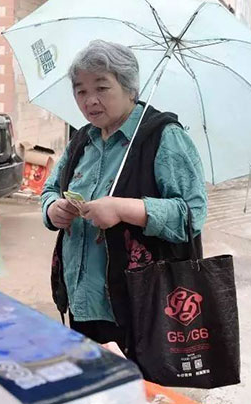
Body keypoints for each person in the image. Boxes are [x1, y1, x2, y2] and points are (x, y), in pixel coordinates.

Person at [40, 40, 207, 354]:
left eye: (102, 88)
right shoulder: (83, 139)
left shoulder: (163, 137)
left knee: (134, 383)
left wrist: (124, 209)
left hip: (138, 306)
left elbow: (192, 215)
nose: (90, 100)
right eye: (80, 91)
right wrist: (53, 209)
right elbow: (49, 190)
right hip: (81, 299)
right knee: (92, 378)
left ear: (130, 89)